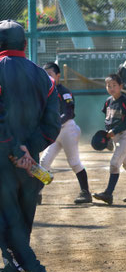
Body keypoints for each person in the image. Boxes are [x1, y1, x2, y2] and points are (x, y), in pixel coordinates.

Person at [0, 19, 61, 272]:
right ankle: (14, 267)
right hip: (30, 162)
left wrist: (13, 148)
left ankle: (31, 268)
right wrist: (27, 149)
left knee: (7, 217)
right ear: (25, 44)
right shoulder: (43, 77)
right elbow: (53, 125)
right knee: (22, 217)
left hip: (3, 158)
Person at [39, 62, 91, 204]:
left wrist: (54, 124)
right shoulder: (44, 92)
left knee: (74, 162)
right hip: (54, 131)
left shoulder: (64, 91)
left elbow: (69, 112)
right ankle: (37, 193)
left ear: (58, 76)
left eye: (50, 74)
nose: (47, 77)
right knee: (44, 162)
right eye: (45, 75)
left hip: (67, 129)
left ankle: (85, 193)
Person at [93, 74, 126, 205]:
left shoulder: (125, 102)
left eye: (114, 85)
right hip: (115, 137)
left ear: (121, 86)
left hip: (124, 136)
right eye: (108, 86)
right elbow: (107, 120)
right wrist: (108, 135)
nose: (111, 88)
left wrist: (115, 130)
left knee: (114, 163)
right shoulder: (108, 101)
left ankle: (108, 194)